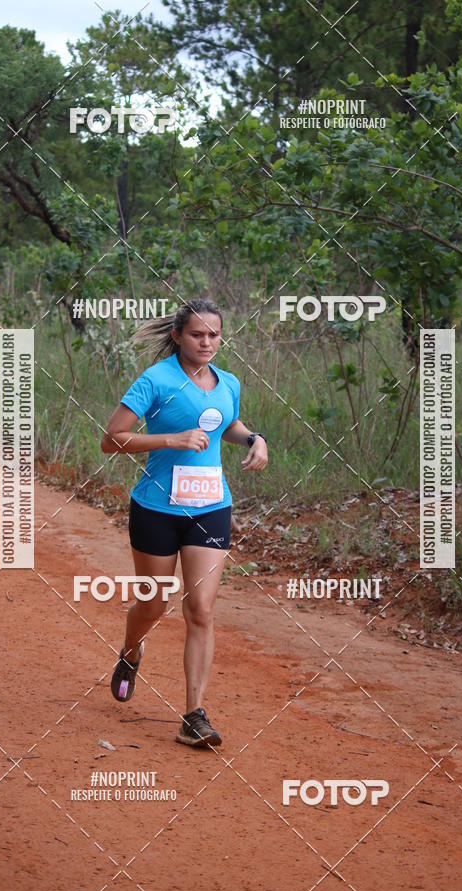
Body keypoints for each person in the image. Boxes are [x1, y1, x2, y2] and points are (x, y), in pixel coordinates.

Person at [101, 299, 268, 747]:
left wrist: (255, 438)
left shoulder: (228, 381)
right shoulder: (156, 380)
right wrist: (170, 439)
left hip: (211, 507)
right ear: (178, 336)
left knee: (201, 610)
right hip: (156, 509)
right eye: (198, 335)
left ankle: (193, 715)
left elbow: (225, 423)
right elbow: (111, 440)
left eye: (214, 335)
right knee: (153, 605)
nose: (207, 342)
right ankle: (131, 650)